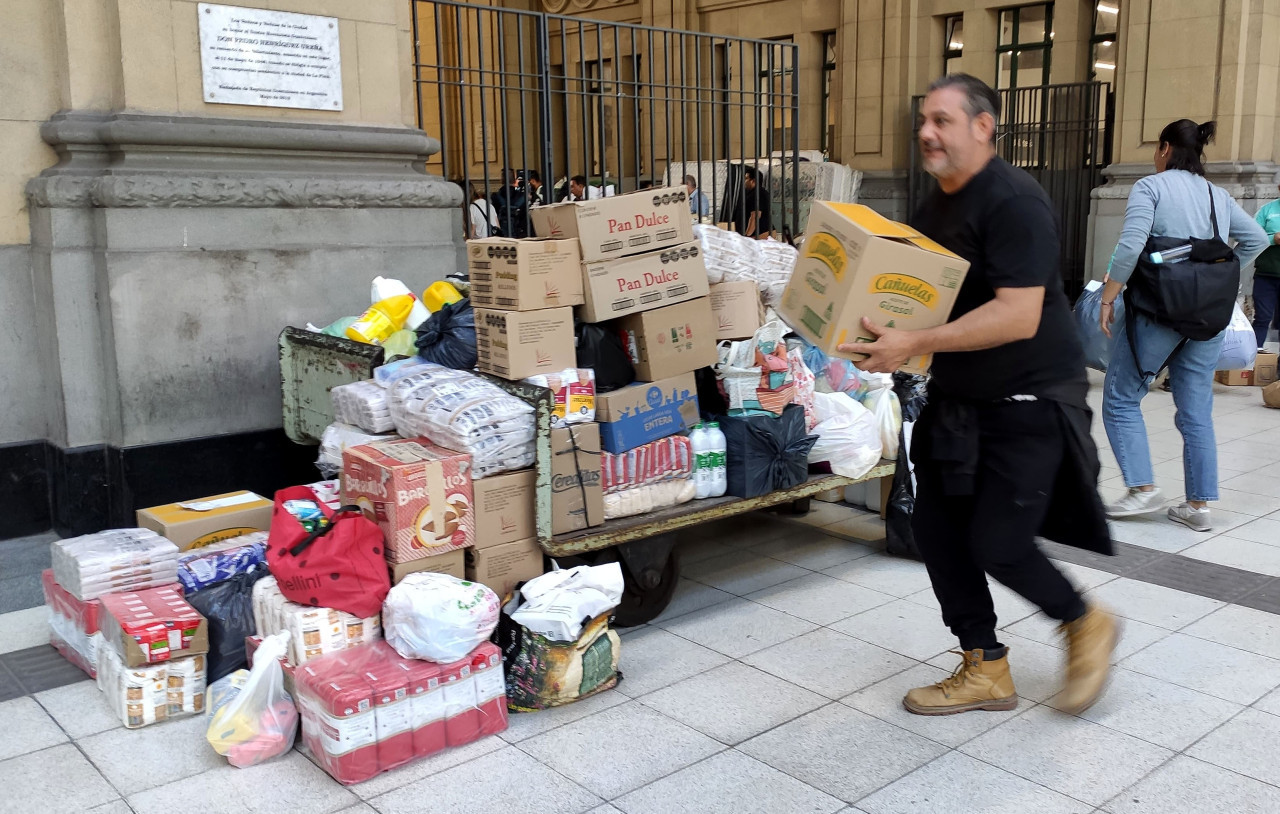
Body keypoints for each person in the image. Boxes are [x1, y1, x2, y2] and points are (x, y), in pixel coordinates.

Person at [841, 74, 1116, 717]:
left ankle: (1084, 620)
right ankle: (985, 667)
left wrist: (915, 341)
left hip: (1030, 400)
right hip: (960, 397)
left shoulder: (1014, 201)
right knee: (936, 530)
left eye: (941, 120)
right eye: (923, 122)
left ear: (983, 125)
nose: (926, 133)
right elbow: (917, 294)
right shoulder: (936, 205)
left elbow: (1018, 315)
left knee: (999, 540)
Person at [1099, 120, 1268, 530]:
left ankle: (1142, 489)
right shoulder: (1218, 195)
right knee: (1196, 411)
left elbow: (1131, 243)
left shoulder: (1150, 188)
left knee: (1122, 397)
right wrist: (1218, 280)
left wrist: (1108, 295)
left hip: (1160, 310)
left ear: (1165, 148)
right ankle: (1197, 507)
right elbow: (1258, 239)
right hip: (1208, 316)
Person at [1252, 180, 1280, 349]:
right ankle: (1254, 361)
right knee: (1262, 318)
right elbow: (1252, 235)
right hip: (1266, 275)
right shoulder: (1267, 210)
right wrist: (1273, 239)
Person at [490, 170, 528, 238]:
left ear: (502, 180)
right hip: (518, 234)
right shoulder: (522, 197)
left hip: (501, 234)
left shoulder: (495, 197)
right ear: (515, 180)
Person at [737, 166, 772, 238]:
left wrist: (747, 236)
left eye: (746, 179)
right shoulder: (759, 193)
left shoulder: (756, 194)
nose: (744, 181)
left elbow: (755, 215)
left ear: (753, 181)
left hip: (760, 234)